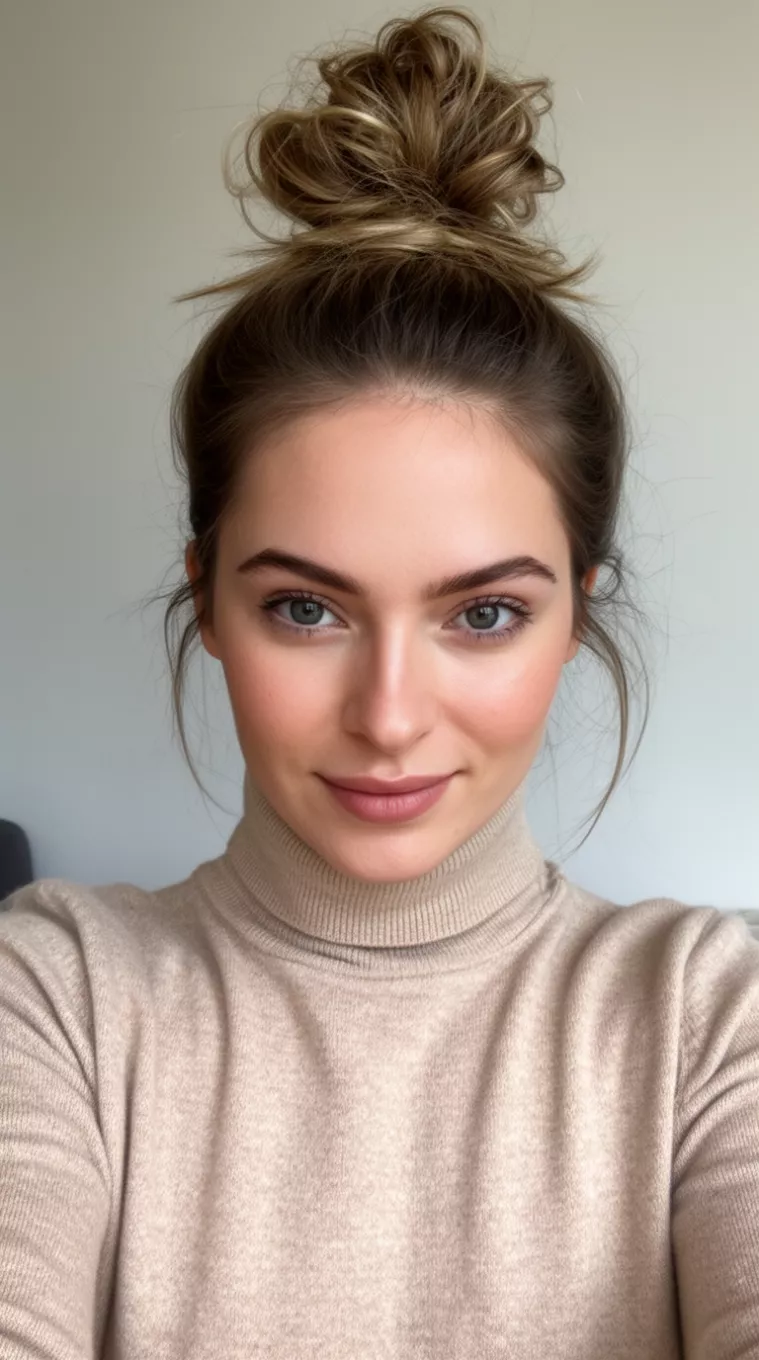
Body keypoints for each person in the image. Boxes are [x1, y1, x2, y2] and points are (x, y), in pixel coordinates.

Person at [1, 7, 757, 1357]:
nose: (390, 716)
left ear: (574, 619)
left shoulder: (709, 1017)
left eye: (481, 613)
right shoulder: (54, 993)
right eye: (305, 607)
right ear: (207, 601)